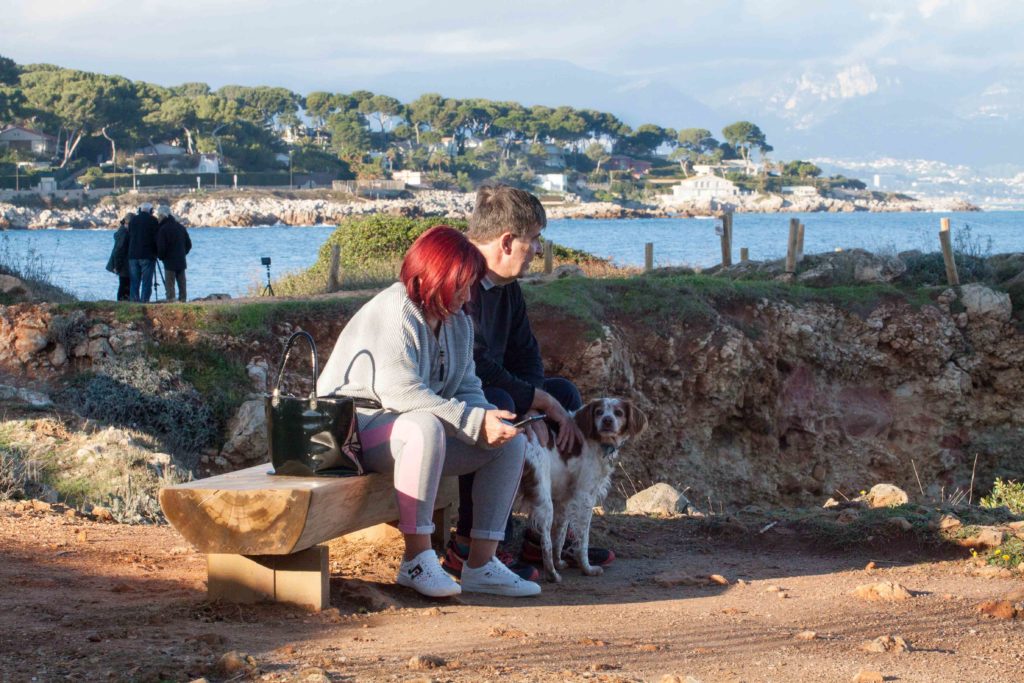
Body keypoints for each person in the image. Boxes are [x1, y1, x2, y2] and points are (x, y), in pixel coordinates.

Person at [316, 225, 541, 599]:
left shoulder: (458, 322)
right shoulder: (395, 310)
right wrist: (471, 421)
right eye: (463, 284)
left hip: (405, 434)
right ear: (437, 276)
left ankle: (481, 565)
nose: (469, 295)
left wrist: (489, 420)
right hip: (350, 433)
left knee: (509, 441)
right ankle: (417, 560)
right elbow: (400, 392)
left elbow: (468, 386)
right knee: (424, 428)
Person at [442, 184, 616, 579]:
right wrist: (530, 405)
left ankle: (548, 535)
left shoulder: (506, 287)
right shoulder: (463, 283)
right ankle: (471, 542)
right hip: (454, 398)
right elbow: (476, 365)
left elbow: (527, 355)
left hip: (501, 388)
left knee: (564, 393)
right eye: (534, 239)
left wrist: (541, 402)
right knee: (499, 403)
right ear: (506, 242)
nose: (538, 249)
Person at [155, 205, 192, 302]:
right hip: (181, 259)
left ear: (162, 216)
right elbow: (189, 244)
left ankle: (171, 302)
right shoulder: (180, 227)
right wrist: (183, 253)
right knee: (182, 283)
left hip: (169, 261)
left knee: (170, 285)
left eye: (158, 215)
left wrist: (161, 257)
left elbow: (161, 247)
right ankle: (183, 300)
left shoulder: (163, 229)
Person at [126, 203, 159, 302]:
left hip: (133, 255)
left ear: (139, 210)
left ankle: (134, 302)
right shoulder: (153, 220)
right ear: (151, 211)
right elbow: (156, 238)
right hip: (148, 255)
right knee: (146, 281)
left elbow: (130, 234)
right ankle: (144, 301)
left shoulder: (133, 220)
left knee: (134, 281)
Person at [105, 213, 132, 301]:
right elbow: (119, 251)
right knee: (124, 285)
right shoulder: (124, 234)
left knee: (124, 284)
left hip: (122, 263)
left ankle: (123, 301)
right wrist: (117, 266)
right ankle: (122, 302)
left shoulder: (121, 232)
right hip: (123, 264)